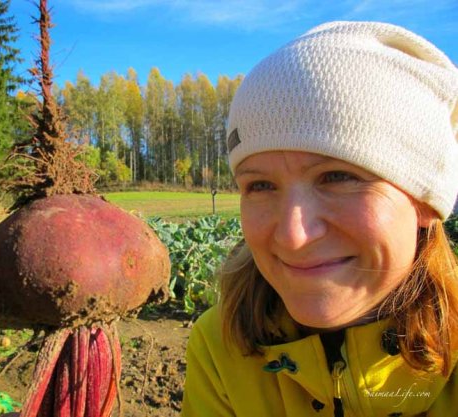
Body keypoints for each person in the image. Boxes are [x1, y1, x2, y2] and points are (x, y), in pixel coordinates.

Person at [181, 21, 458, 417]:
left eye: (338, 177)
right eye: (260, 186)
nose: (294, 236)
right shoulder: (219, 346)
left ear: (425, 202)